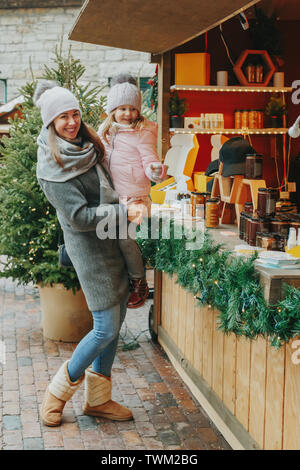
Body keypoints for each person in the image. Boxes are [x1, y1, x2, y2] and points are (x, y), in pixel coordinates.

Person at [34, 80, 136, 426]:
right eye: (63, 117)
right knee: (105, 328)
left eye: (75, 113)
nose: (72, 121)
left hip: (115, 242)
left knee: (116, 323)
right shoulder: (53, 167)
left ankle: (99, 400)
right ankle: (57, 393)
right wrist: (122, 213)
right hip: (90, 252)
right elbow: (78, 218)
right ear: (50, 122)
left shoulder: (88, 146)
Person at [98, 74, 167, 308]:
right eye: (122, 108)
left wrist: (154, 170)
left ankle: (139, 282)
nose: (127, 114)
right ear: (113, 110)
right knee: (113, 240)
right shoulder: (106, 132)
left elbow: (149, 159)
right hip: (114, 197)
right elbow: (100, 157)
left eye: (132, 109)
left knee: (126, 239)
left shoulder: (142, 132)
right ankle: (124, 280)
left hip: (136, 197)